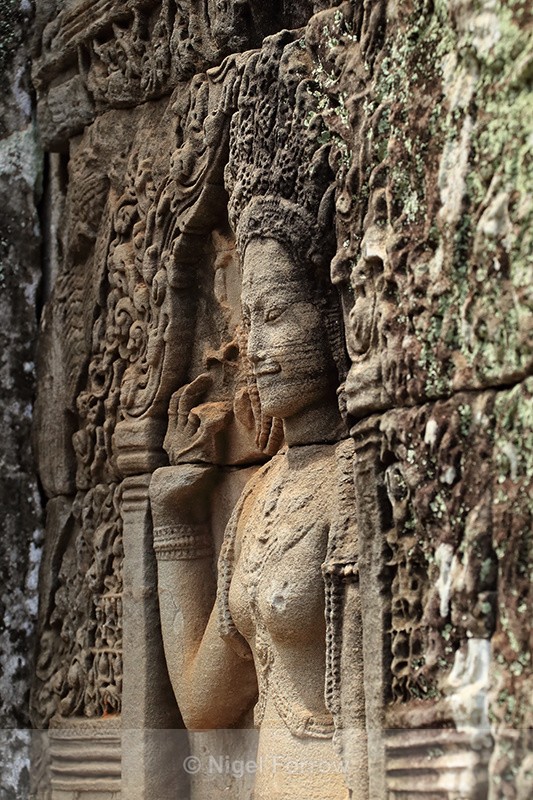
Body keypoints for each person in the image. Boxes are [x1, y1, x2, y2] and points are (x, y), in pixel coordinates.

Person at [149, 198, 354, 799]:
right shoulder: (259, 497)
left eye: (275, 314)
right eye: (249, 321)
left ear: (331, 314)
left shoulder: (353, 482)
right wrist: (176, 524)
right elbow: (202, 704)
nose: (255, 347)